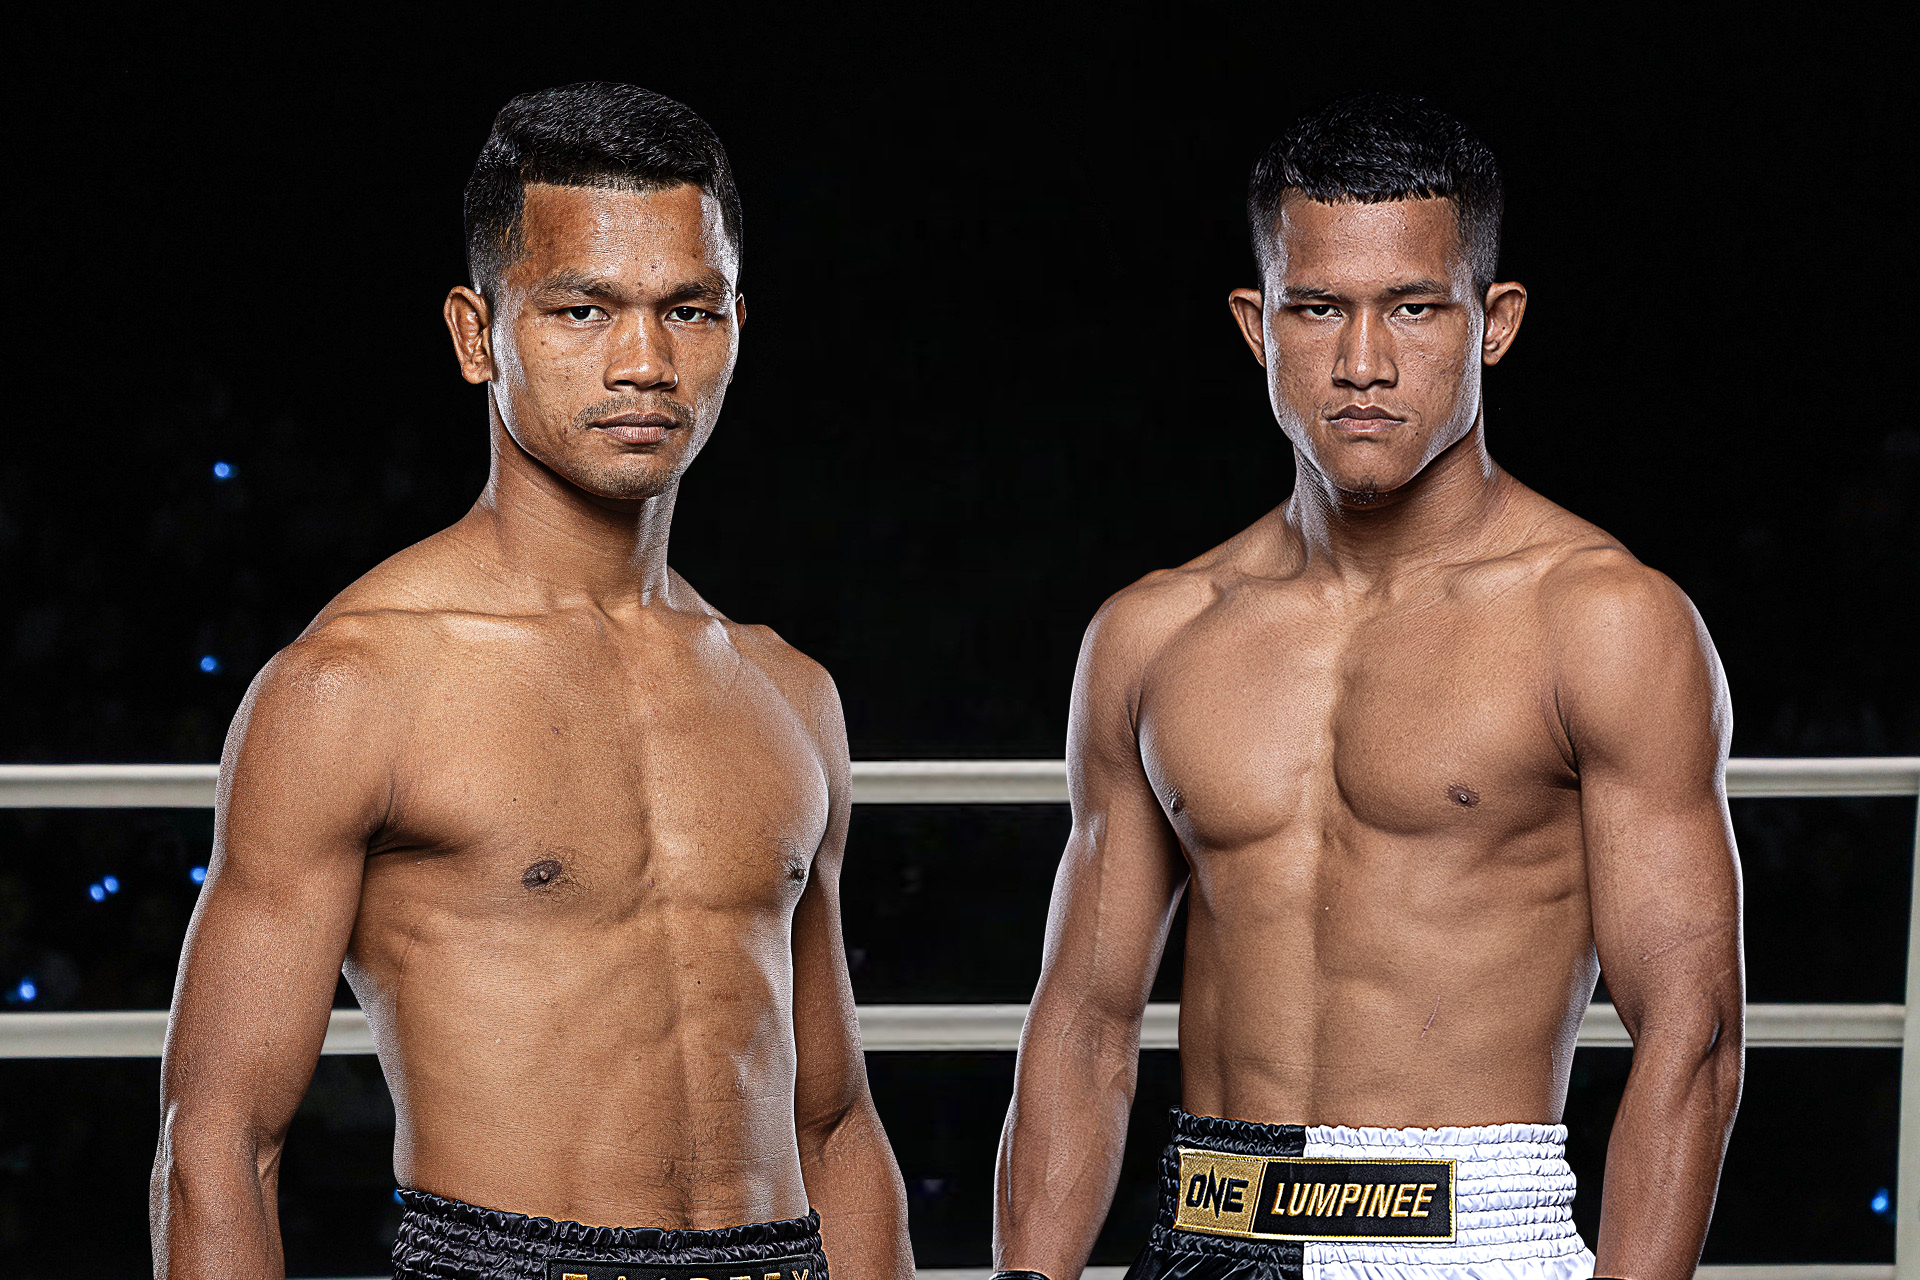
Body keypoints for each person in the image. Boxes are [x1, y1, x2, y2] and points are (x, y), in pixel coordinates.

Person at [151, 82, 912, 1280]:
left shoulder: (787, 691)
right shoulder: (356, 683)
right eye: (581, 309)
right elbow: (219, 1144)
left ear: (736, 326)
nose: (645, 362)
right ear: (477, 335)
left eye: (689, 309)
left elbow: (833, 1123)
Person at [992, 93, 1742, 1280]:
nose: (1362, 364)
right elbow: (1084, 1022)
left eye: (1412, 307)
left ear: (1494, 322)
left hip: (1466, 1231)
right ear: (1257, 325)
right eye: (1318, 307)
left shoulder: (1602, 620)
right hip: (1207, 1230)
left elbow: (1691, 1035)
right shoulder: (1154, 633)